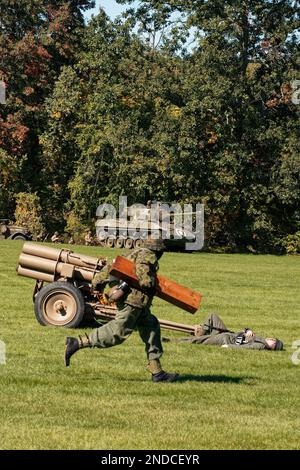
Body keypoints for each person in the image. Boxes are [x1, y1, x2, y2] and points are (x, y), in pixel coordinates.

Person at [65, 238, 179, 382]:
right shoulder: (147, 255)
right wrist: (151, 284)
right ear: (157, 250)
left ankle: (157, 372)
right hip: (133, 301)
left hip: (136, 303)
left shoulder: (131, 254)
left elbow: (110, 267)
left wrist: (97, 283)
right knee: (117, 332)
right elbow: (145, 279)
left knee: (151, 328)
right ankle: (77, 343)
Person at [163, 313, 283, 351]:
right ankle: (203, 332)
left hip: (225, 338)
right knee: (213, 316)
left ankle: (171, 340)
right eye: (274, 340)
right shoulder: (260, 339)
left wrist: (228, 346)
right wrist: (248, 330)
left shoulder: (261, 345)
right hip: (229, 333)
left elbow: (245, 348)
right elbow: (245, 330)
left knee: (197, 341)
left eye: (274, 345)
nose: (272, 342)